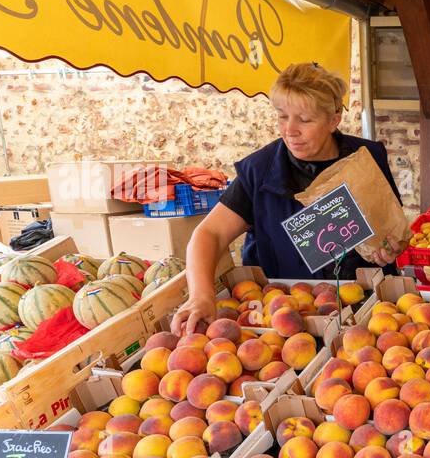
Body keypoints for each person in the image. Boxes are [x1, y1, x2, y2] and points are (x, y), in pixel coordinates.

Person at [172, 62, 408, 334]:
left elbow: (389, 226)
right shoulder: (259, 172)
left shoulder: (368, 158)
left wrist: (389, 247)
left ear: (334, 120)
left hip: (368, 310)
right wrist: (200, 296)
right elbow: (209, 234)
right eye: (282, 116)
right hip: (289, 318)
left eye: (305, 120)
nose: (290, 130)